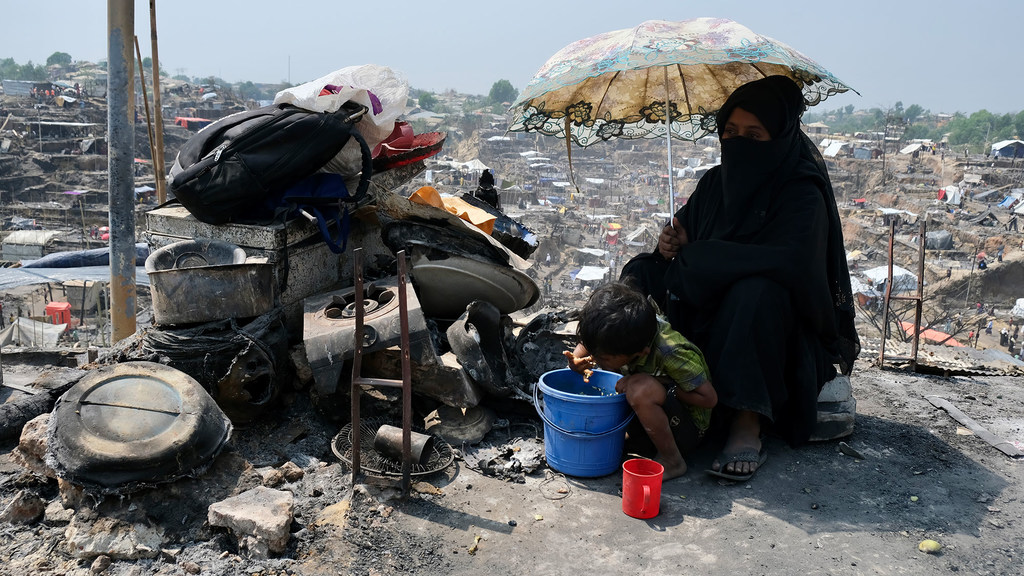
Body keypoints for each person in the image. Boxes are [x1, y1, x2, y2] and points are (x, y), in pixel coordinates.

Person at [622, 75, 858, 482]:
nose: (739, 142)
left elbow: (791, 264)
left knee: (755, 293)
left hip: (771, 327)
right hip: (706, 301)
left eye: (754, 134)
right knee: (640, 271)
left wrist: (707, 257)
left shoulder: (801, 192)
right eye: (730, 132)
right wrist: (673, 244)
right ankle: (630, 371)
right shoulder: (716, 182)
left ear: (780, 137)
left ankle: (747, 420)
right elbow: (686, 244)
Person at [564, 282, 717, 480]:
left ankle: (672, 460)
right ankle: (632, 438)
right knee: (634, 386)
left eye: (604, 358)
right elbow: (590, 341)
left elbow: (708, 399)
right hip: (650, 421)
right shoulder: (623, 333)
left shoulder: (671, 352)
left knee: (640, 389)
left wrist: (661, 385)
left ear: (641, 352)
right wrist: (577, 359)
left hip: (685, 431)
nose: (596, 360)